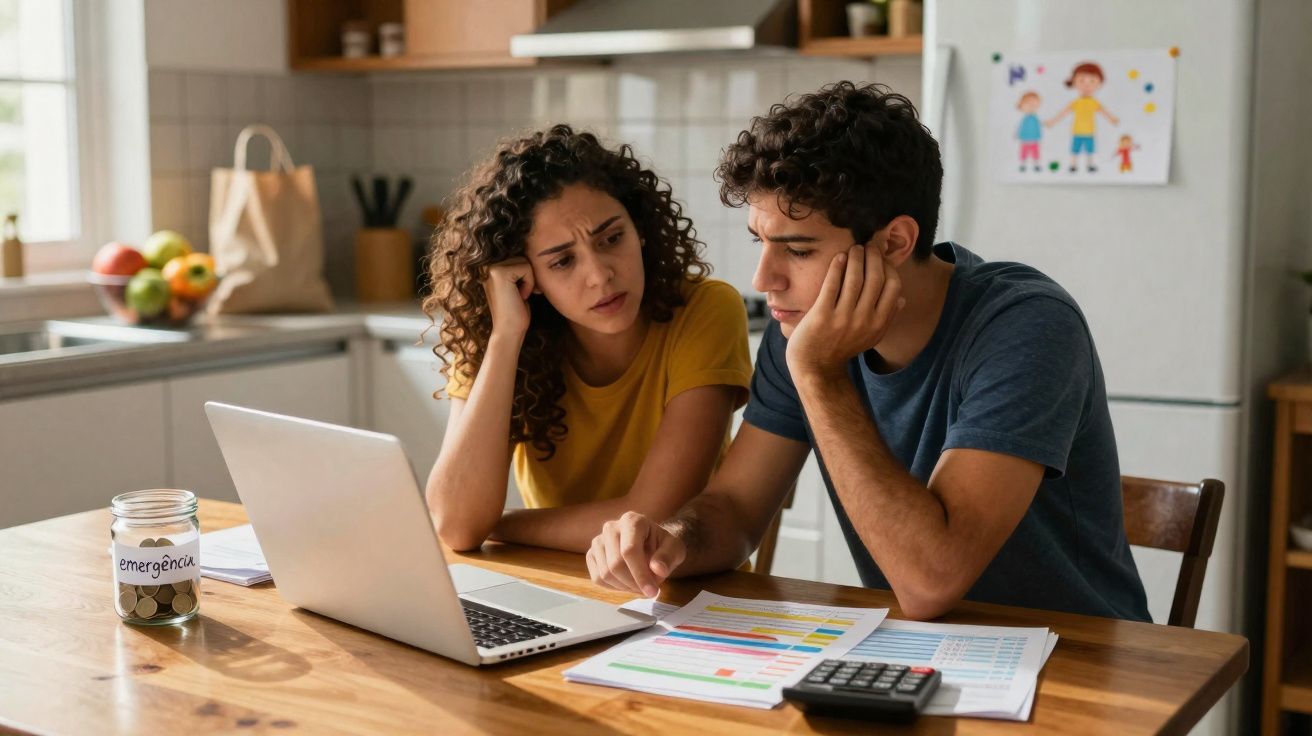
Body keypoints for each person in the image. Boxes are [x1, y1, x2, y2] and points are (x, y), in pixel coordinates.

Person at [584, 83, 1151, 622]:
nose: (764, 279)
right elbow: (733, 511)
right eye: (761, 242)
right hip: (926, 652)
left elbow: (931, 581)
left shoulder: (1026, 325)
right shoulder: (801, 331)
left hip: (1079, 660)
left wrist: (817, 373)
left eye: (798, 249)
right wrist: (672, 540)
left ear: (894, 242)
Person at [422, 125, 752, 554]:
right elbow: (456, 525)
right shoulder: (499, 332)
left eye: (612, 239)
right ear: (528, 277)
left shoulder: (706, 310)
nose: (600, 276)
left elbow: (651, 519)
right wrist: (506, 337)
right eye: (562, 261)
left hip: (681, 594)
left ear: (641, 229)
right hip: (555, 585)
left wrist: (502, 526)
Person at [1046, 61, 1119, 173]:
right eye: (1081, 80)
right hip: (1077, 131)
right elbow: (1063, 113)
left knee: (1090, 150)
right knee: (1075, 149)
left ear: (1099, 84)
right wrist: (1052, 121)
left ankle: (1090, 164)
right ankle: (1073, 165)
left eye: (1092, 81)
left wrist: (1112, 119)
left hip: (1090, 131)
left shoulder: (1094, 102)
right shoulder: (1075, 102)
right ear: (1074, 82)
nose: (1087, 85)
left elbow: (1104, 112)